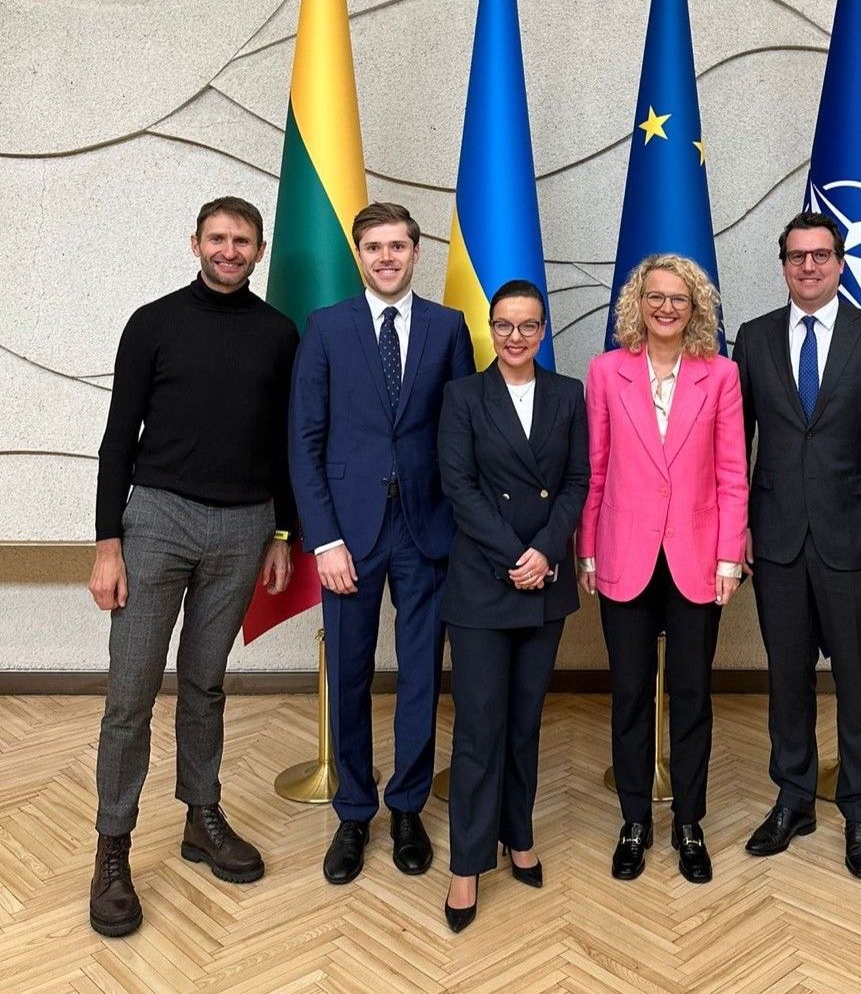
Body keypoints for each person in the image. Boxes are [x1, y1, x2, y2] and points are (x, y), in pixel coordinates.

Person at [87, 196, 298, 937]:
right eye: (217, 238)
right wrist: (107, 542)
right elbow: (118, 437)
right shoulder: (153, 323)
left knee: (205, 682)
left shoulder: (279, 333)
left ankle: (200, 816)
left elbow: (285, 442)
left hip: (244, 525)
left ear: (259, 250)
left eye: (242, 240)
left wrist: (283, 531)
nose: (229, 250)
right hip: (158, 519)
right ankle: (113, 846)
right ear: (195, 243)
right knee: (131, 691)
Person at [288, 201, 474, 885]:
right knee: (349, 673)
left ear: (416, 252)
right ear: (359, 255)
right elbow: (304, 440)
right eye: (374, 247)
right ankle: (354, 810)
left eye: (398, 246)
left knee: (421, 674)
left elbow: (462, 433)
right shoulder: (326, 327)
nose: (386, 257)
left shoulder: (448, 327)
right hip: (350, 534)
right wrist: (324, 540)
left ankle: (406, 807)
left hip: (426, 529)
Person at [732, 210, 861, 878]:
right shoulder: (753, 338)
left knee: (860, 681)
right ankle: (793, 798)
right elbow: (735, 443)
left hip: (856, 540)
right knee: (786, 678)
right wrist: (736, 524)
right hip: (776, 539)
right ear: (783, 265)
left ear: (839, 263)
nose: (808, 266)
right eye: (796, 256)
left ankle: (859, 810)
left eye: (820, 255)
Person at [578, 254, 748, 884]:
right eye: (656, 296)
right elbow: (594, 467)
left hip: (697, 559)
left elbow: (733, 473)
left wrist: (729, 555)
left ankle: (688, 822)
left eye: (679, 298)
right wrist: (587, 548)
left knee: (692, 694)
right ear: (638, 303)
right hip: (624, 553)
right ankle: (634, 821)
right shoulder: (606, 371)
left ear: (695, 307)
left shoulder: (721, 375)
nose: (667, 307)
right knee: (629, 694)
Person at [437, 280, 589, 932]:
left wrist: (546, 551)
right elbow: (458, 486)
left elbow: (578, 479)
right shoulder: (463, 395)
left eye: (528, 326)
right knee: (479, 728)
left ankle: (517, 834)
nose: (516, 336)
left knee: (524, 722)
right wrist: (514, 555)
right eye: (504, 325)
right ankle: (467, 862)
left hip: (544, 580)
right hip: (483, 582)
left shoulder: (568, 393)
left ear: (543, 329)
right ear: (491, 327)